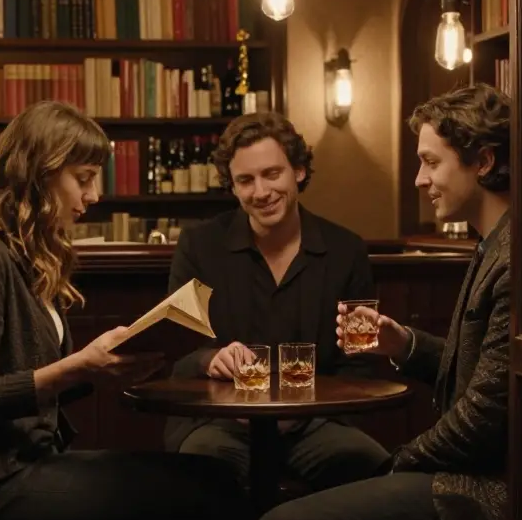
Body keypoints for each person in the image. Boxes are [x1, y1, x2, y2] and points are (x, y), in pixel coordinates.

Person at [0, 100, 255, 520]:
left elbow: (33, 381)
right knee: (216, 483)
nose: (93, 196)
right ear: (40, 172)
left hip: (32, 465)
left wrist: (99, 372)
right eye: (82, 179)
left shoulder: (27, 257)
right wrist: (75, 368)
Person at [250, 83, 515, 520]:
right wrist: (406, 347)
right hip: (465, 476)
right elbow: (490, 374)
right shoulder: (495, 243)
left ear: (484, 161)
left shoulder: (514, 258)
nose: (419, 179)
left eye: (429, 162)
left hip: (488, 493)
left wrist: (401, 461)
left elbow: (486, 418)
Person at [166, 111, 389, 492]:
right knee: (197, 476)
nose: (261, 192)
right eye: (245, 180)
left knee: (373, 469)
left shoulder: (345, 250)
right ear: (232, 187)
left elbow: (362, 364)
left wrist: (313, 406)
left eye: (272, 174)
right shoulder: (199, 246)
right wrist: (209, 359)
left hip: (316, 424)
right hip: (219, 423)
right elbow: (175, 352)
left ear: (299, 171)